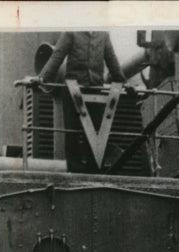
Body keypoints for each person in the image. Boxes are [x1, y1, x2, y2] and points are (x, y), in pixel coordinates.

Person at [35, 31, 127, 173]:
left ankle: (94, 168)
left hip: (95, 88)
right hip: (73, 89)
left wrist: (122, 81)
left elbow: (111, 59)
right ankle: (75, 169)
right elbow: (57, 55)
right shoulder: (71, 32)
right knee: (72, 130)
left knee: (95, 129)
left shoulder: (103, 35)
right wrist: (42, 78)